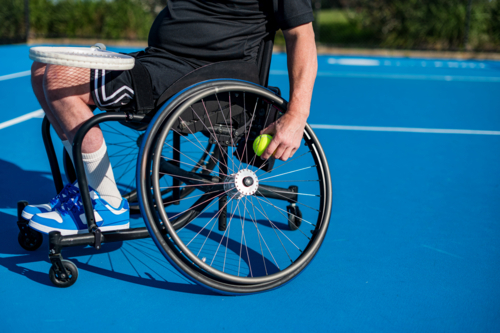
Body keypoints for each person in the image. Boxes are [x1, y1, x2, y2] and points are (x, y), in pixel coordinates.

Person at [24, 0, 318, 235]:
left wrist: (296, 114)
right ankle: (86, 192)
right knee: (41, 70)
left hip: (196, 77)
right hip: (159, 62)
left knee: (60, 79)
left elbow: (301, 34)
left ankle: (106, 203)